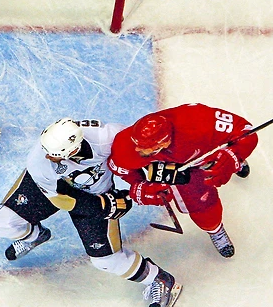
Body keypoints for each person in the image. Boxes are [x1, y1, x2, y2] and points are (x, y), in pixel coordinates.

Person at [0, 117, 182, 307]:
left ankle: (158, 278)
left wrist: (151, 182)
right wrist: (105, 206)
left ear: (72, 151)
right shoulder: (39, 161)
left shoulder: (109, 137)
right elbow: (61, 200)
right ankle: (35, 236)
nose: (47, 155)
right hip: (59, 192)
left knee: (105, 261)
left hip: (96, 191)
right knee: (0, 223)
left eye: (53, 155)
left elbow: (143, 157)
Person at [107, 103, 257, 258]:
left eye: (146, 147)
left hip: (210, 149)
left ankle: (233, 159)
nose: (138, 149)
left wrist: (234, 154)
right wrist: (140, 185)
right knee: (204, 210)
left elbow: (246, 130)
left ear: (164, 142)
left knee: (228, 153)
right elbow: (121, 168)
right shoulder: (127, 145)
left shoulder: (198, 120)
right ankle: (215, 230)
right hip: (181, 170)